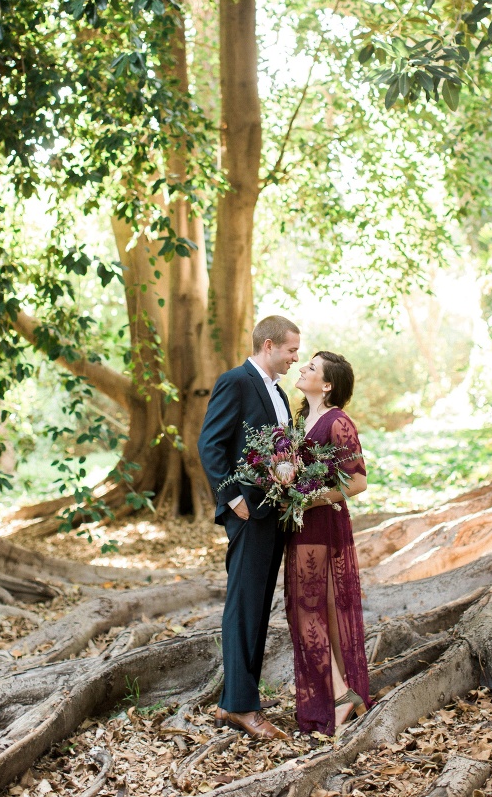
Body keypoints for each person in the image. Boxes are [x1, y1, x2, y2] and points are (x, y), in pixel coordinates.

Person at [198, 314, 301, 740]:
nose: (297, 357)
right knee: (243, 607)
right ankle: (241, 706)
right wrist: (232, 498)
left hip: (273, 513)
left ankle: (239, 699)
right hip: (248, 513)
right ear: (270, 345)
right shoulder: (236, 381)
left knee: (258, 608)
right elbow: (210, 443)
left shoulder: (278, 392)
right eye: (292, 350)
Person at [286, 351, 371, 735]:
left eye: (311, 368)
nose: (302, 368)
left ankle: (339, 696)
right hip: (302, 526)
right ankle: (347, 693)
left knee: (310, 612)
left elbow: (356, 482)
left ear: (327, 384)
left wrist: (310, 497)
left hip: (323, 524)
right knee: (318, 611)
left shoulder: (338, 422)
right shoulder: (302, 419)